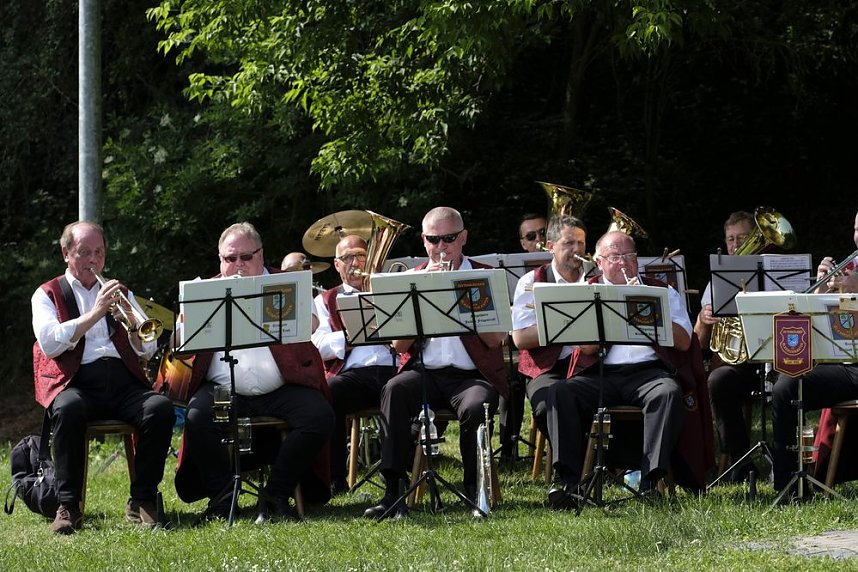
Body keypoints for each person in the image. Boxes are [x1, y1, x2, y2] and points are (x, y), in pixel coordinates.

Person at [174, 222, 335, 521]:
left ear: (261, 255)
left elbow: (312, 325)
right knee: (197, 418)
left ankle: (276, 493)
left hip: (281, 388)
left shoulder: (285, 282)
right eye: (229, 259)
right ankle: (222, 499)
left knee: (319, 416)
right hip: (223, 388)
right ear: (220, 259)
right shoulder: (206, 290)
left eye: (245, 258)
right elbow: (182, 342)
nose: (237, 265)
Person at [545, 230, 713, 508]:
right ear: (599, 262)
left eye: (629, 256)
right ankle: (569, 484)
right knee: (560, 392)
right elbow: (586, 350)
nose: (623, 263)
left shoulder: (663, 291)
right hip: (603, 373)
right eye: (615, 256)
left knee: (668, 392)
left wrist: (648, 304)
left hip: (650, 373)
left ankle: (650, 482)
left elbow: (684, 343)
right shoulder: (588, 291)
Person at [363, 207, 509, 518]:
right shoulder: (412, 280)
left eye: (449, 239)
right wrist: (421, 300)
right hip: (425, 372)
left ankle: (474, 490)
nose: (441, 247)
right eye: (434, 240)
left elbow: (495, 340)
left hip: (472, 376)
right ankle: (394, 491)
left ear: (463, 238)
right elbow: (398, 345)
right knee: (395, 389)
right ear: (424, 241)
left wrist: (460, 295)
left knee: (475, 407)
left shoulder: (483, 276)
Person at [31, 221, 175, 534]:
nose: (94, 260)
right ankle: (68, 505)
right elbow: (50, 342)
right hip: (76, 381)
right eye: (85, 253)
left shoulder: (119, 292)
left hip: (123, 381)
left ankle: (143, 499)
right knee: (67, 409)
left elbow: (148, 349)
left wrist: (133, 329)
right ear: (66, 254)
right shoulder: (47, 294)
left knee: (160, 409)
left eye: (99, 252)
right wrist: (96, 313)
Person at [772, 211, 858, 495]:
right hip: (846, 364)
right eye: (857, 229)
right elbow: (817, 326)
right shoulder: (852, 265)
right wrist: (821, 291)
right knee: (786, 385)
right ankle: (789, 487)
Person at [312, 235, 398, 495]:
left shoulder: (391, 291)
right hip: (353, 376)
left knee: (404, 389)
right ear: (337, 265)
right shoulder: (325, 300)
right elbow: (317, 346)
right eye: (347, 258)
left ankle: (395, 474)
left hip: (392, 370)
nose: (355, 263)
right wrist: (349, 338)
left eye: (360, 255)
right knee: (329, 392)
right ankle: (335, 478)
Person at [694, 211, 760, 482]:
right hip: (737, 363)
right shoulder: (717, 282)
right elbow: (699, 344)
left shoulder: (771, 275)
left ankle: (787, 462)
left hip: (775, 359)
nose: (735, 245)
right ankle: (741, 464)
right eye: (730, 239)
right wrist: (704, 320)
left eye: (742, 238)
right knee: (717, 381)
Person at [512, 214, 588, 441]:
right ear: (551, 246)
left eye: (581, 243)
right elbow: (521, 339)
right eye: (569, 243)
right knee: (547, 407)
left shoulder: (596, 279)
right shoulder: (530, 281)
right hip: (548, 368)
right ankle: (577, 463)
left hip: (591, 364)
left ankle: (594, 459)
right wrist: (570, 324)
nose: (577, 249)